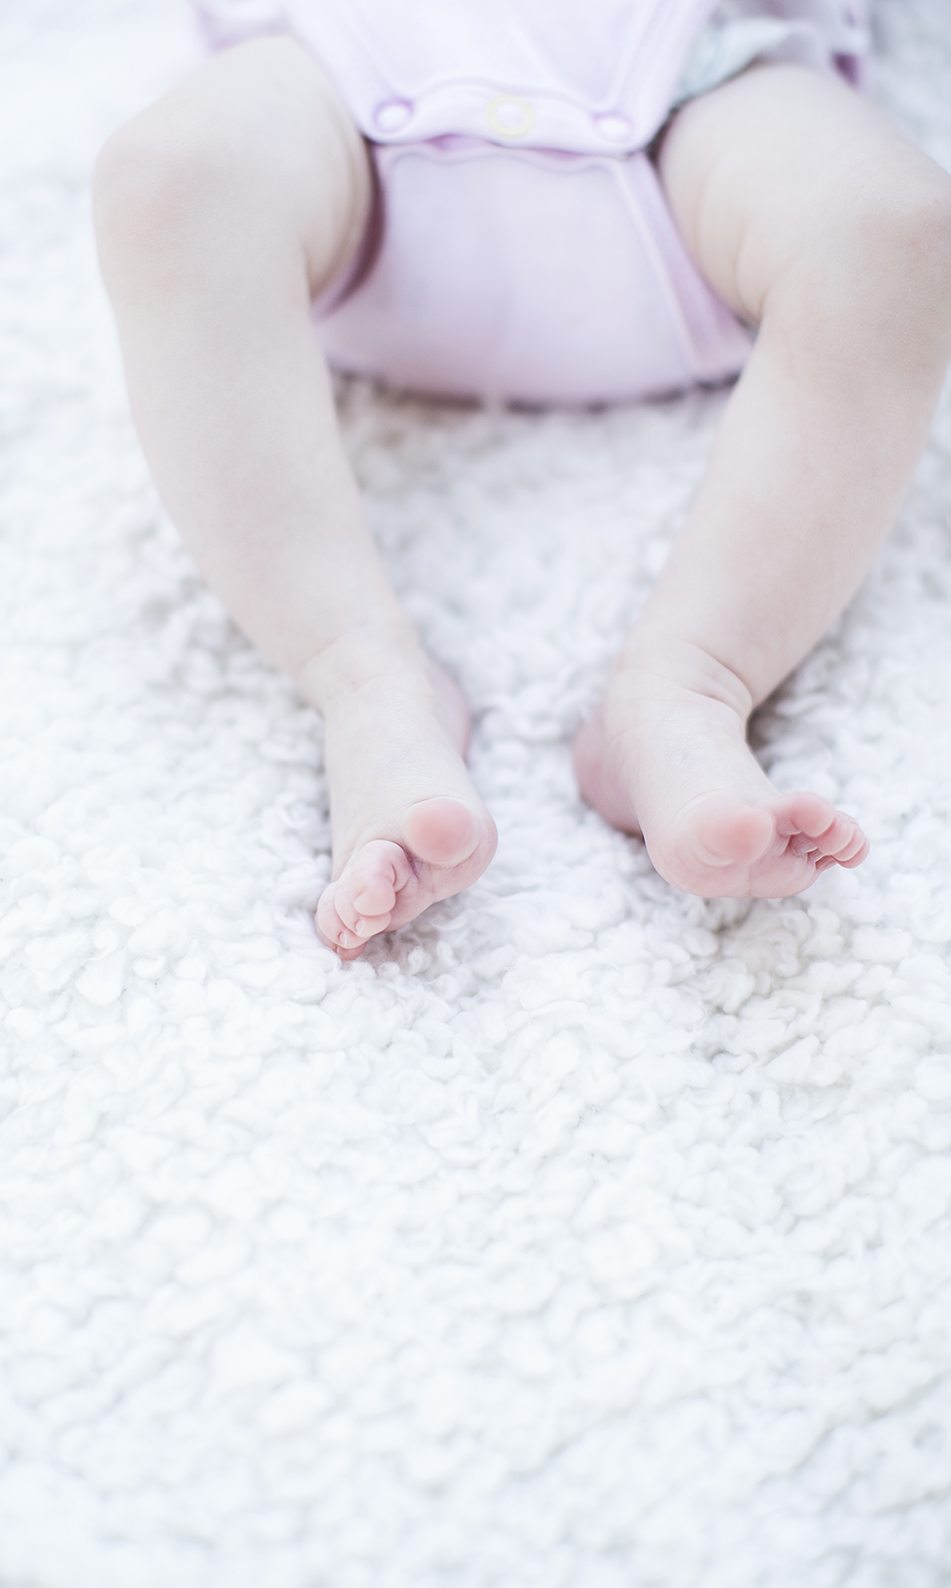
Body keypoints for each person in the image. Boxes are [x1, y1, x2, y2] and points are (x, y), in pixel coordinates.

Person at [92, 1, 951, 959]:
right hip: (353, 88)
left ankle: (690, 683)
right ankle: (365, 681)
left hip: (694, 88)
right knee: (166, 178)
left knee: (890, 224)